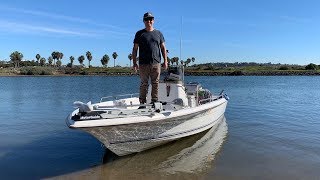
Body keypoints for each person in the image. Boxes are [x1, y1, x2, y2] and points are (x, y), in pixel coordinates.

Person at [132, 12, 168, 104]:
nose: (149, 21)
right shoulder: (139, 33)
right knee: (144, 83)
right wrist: (134, 63)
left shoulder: (159, 33)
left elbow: (163, 48)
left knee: (155, 83)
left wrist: (165, 61)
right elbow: (135, 49)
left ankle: (154, 102)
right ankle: (142, 103)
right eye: (147, 19)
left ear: (153, 20)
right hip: (143, 64)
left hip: (156, 63)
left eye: (151, 19)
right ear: (144, 21)